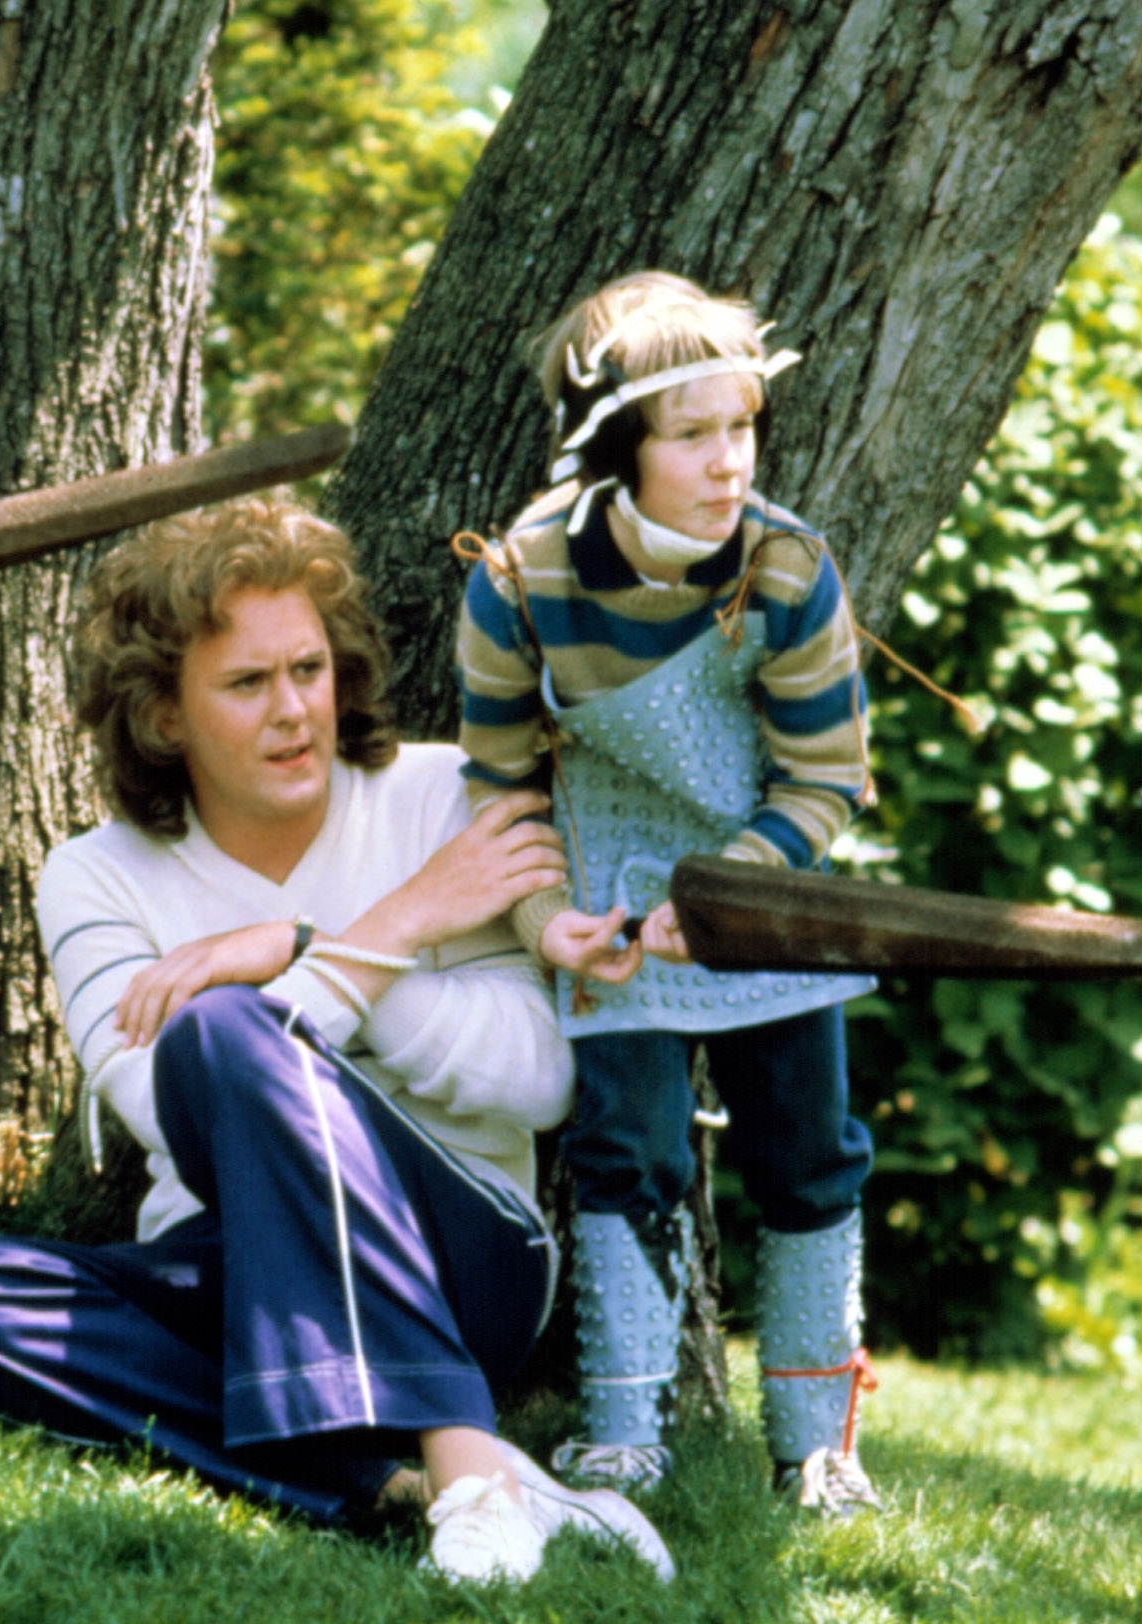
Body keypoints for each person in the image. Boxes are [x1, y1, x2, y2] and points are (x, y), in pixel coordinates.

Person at [0, 499, 673, 1587]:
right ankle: (400, 1480)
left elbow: (541, 1080)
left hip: (464, 1261)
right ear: (164, 716)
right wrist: (389, 931)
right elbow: (160, 1107)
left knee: (223, 1021)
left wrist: (295, 949)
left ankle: (459, 1458)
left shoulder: (445, 800)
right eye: (246, 684)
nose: (293, 711)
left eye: (306, 669)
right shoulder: (94, 876)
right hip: (230, 1273)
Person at [454, 272, 882, 1514]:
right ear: (616, 444)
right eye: (691, 434)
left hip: (763, 891)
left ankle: (816, 1444)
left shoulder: (788, 567)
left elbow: (825, 777)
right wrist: (546, 924)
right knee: (623, 1153)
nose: (726, 460)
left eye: (740, 426)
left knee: (810, 1156)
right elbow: (501, 787)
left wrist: (739, 886)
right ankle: (621, 1431)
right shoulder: (521, 584)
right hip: (609, 896)